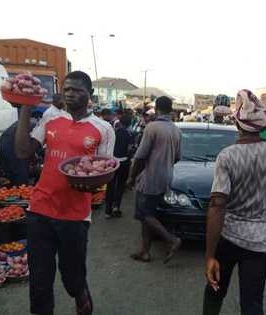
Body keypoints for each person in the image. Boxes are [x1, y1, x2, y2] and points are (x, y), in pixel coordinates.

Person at [15, 71, 115, 315]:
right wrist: (26, 107)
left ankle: (81, 296)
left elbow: (106, 171)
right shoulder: (51, 118)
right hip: (40, 209)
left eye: (77, 90)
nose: (70, 94)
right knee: (39, 281)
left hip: (74, 216)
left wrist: (90, 185)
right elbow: (22, 151)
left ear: (90, 95)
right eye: (67, 89)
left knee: (72, 278)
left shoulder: (103, 129)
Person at [203, 89, 266, 315]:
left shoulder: (227, 156)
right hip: (259, 240)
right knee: (252, 303)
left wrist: (210, 254)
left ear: (237, 122)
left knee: (214, 292)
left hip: (228, 236)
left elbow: (217, 205)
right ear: (261, 125)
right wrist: (264, 210)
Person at [128, 96, 182, 263]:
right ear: (170, 109)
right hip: (166, 176)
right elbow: (177, 157)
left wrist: (131, 177)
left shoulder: (152, 127)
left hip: (150, 177)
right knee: (150, 213)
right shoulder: (176, 130)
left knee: (143, 213)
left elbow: (140, 157)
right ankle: (145, 251)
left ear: (157, 108)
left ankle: (171, 239)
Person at [105, 114, 135, 219]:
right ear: (130, 124)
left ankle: (107, 211)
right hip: (124, 162)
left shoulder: (114, 132)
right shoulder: (130, 134)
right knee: (121, 185)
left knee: (111, 186)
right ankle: (116, 207)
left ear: (120, 122)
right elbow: (130, 149)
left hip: (113, 162)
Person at [0, 121, 35, 186]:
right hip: (11, 147)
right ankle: (22, 192)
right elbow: (30, 148)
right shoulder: (36, 127)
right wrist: (33, 159)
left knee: (9, 172)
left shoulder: (26, 122)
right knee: (21, 172)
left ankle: (10, 191)